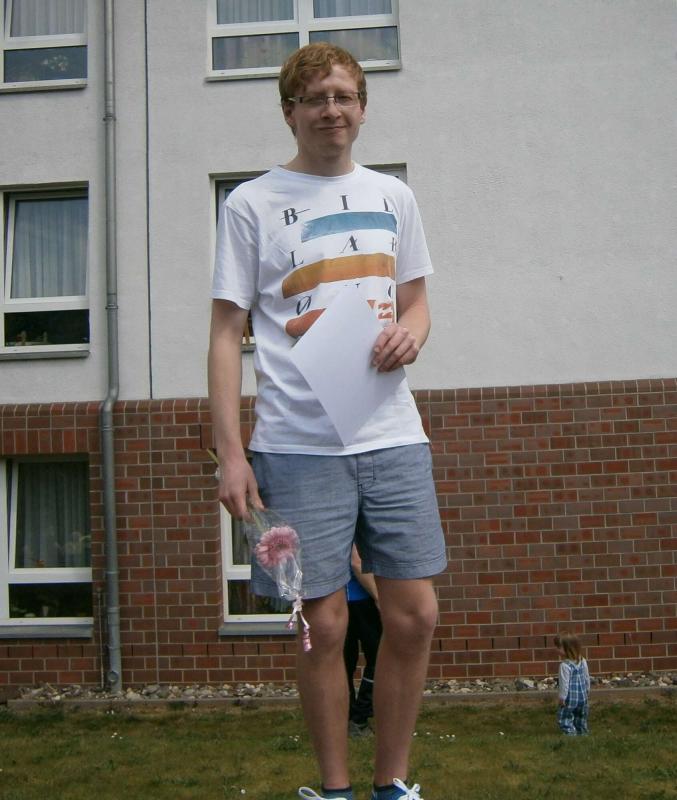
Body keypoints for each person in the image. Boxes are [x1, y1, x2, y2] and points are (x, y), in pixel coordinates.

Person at [209, 41, 447, 800]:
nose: (330, 111)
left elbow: (416, 302)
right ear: (290, 112)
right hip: (295, 444)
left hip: (391, 433)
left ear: (362, 108)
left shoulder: (393, 196)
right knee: (325, 626)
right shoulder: (250, 203)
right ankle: (335, 791)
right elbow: (226, 333)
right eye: (314, 99)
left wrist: (413, 333)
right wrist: (232, 455)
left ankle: (392, 785)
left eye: (343, 96)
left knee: (414, 615)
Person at [344, 545, 383, 738]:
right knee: (380, 659)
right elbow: (356, 562)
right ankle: (359, 718)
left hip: (342, 599)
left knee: (345, 664)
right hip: (361, 598)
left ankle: (348, 718)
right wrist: (378, 597)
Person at [554, 632, 591, 735]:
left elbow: (564, 684)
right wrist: (587, 690)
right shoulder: (582, 661)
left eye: (559, 647)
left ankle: (569, 732)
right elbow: (586, 677)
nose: (556, 649)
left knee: (566, 716)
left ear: (568, 648)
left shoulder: (564, 666)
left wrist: (562, 697)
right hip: (582, 697)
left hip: (570, 698)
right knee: (581, 715)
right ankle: (581, 731)